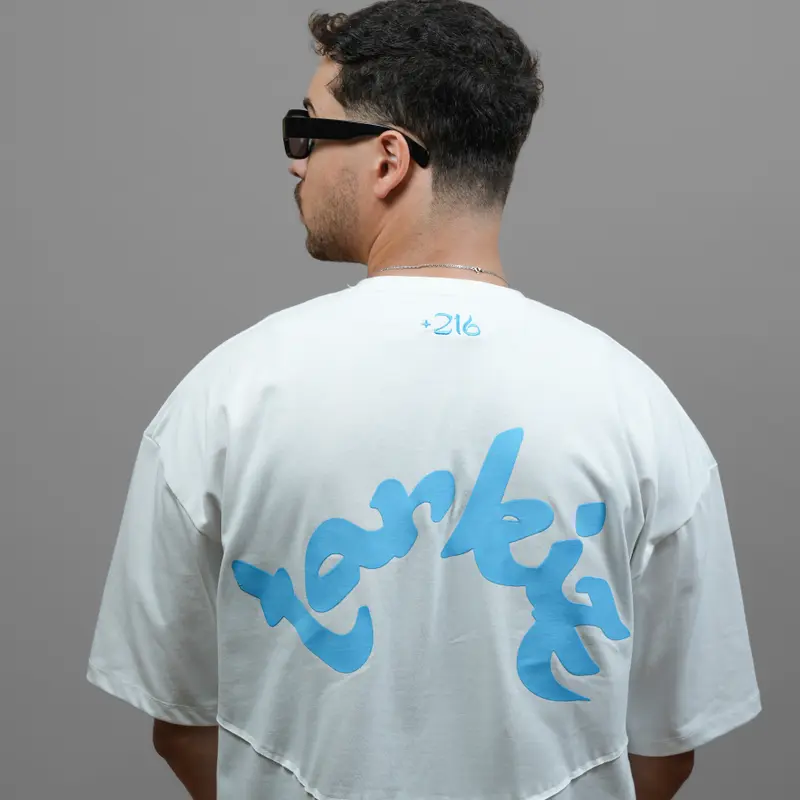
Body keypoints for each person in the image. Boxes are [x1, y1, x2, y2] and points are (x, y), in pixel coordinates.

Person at [85, 1, 762, 798]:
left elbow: (182, 724)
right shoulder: (640, 409)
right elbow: (665, 745)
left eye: (309, 131)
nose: (297, 164)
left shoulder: (227, 394)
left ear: (388, 159)